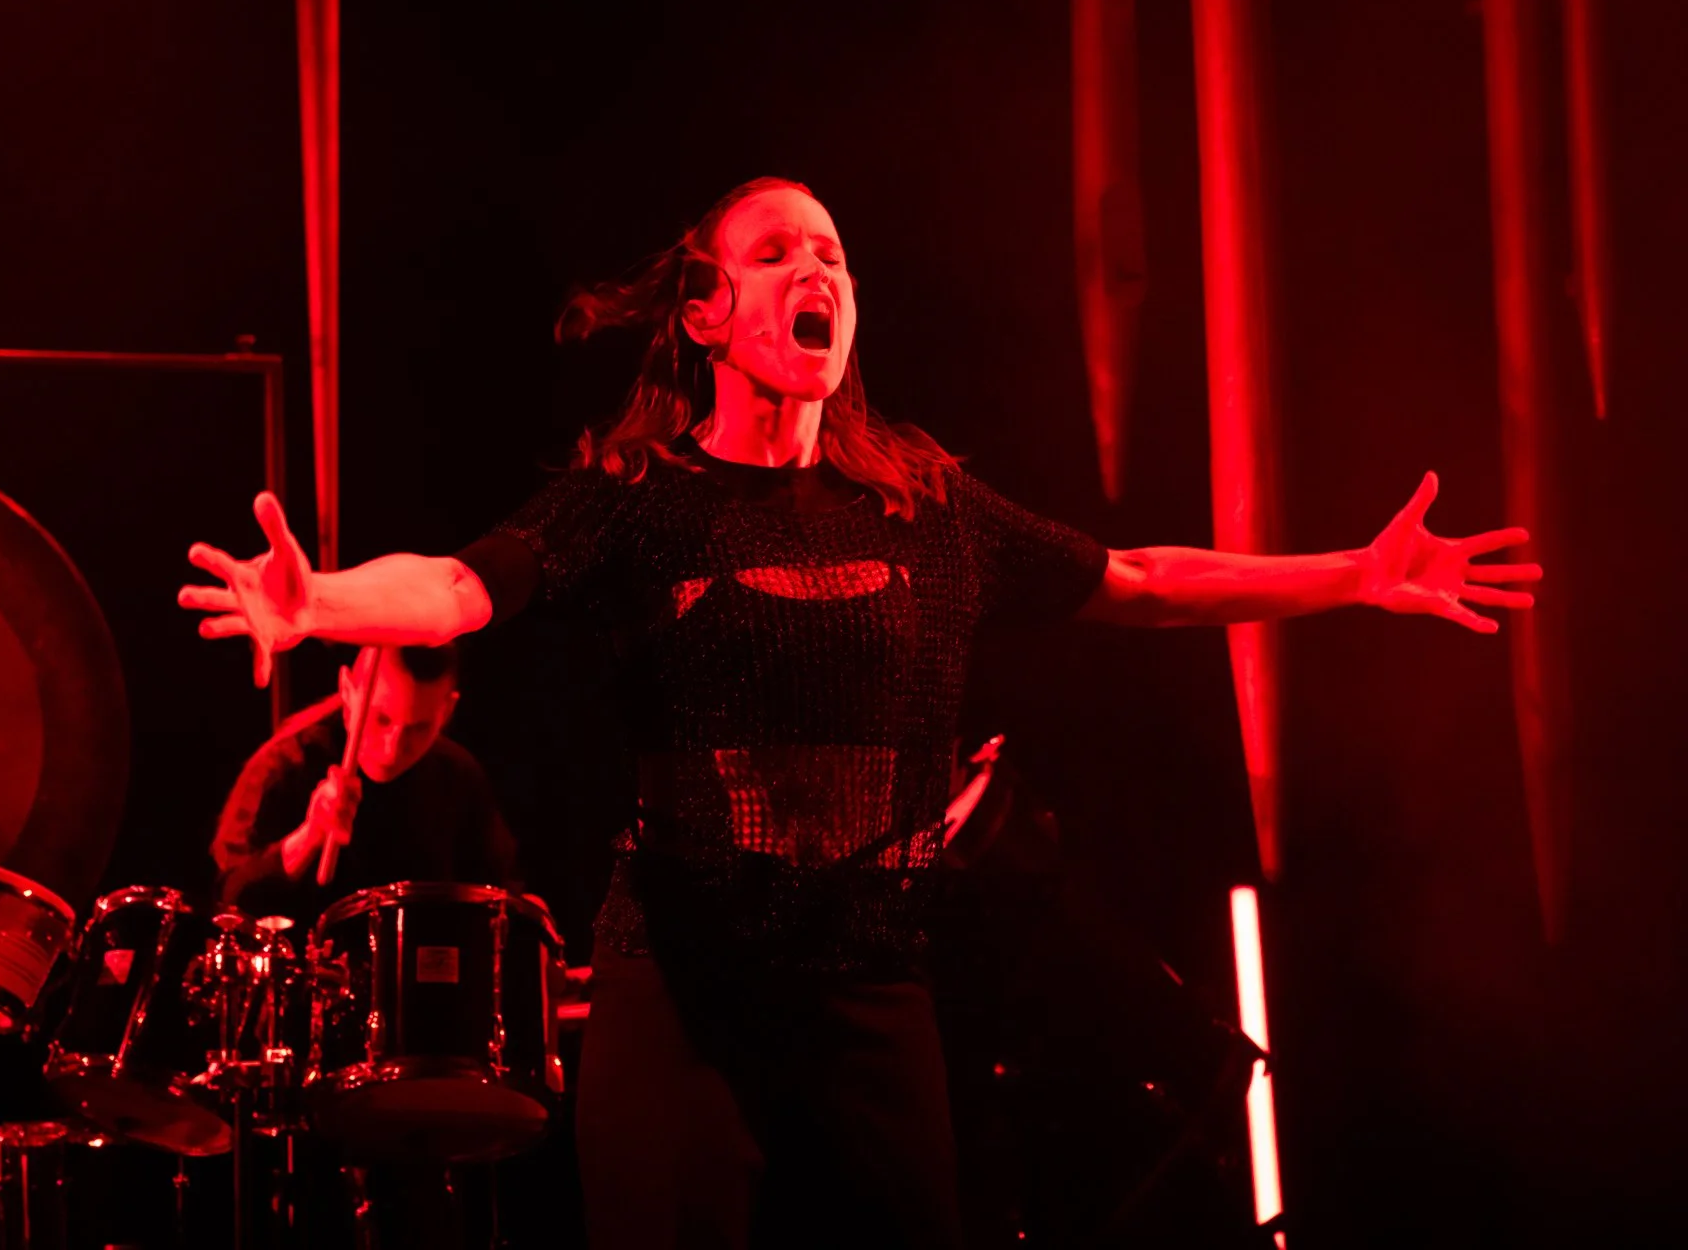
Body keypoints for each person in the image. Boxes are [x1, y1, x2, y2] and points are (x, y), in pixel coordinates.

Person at [179, 177, 1540, 1248]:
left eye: (831, 250)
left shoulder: (931, 508)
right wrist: (323, 605)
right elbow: (464, 588)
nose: (817, 267)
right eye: (776, 250)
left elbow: (1141, 579)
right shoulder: (636, 504)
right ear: (707, 312)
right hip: (681, 995)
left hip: (875, 996)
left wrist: (1354, 573)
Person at [210, 641, 520, 931]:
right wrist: (309, 836)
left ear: (447, 710)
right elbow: (232, 900)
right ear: (347, 691)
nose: (393, 748)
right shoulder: (284, 766)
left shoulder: (459, 775)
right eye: (381, 719)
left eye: (418, 728)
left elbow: (499, 890)